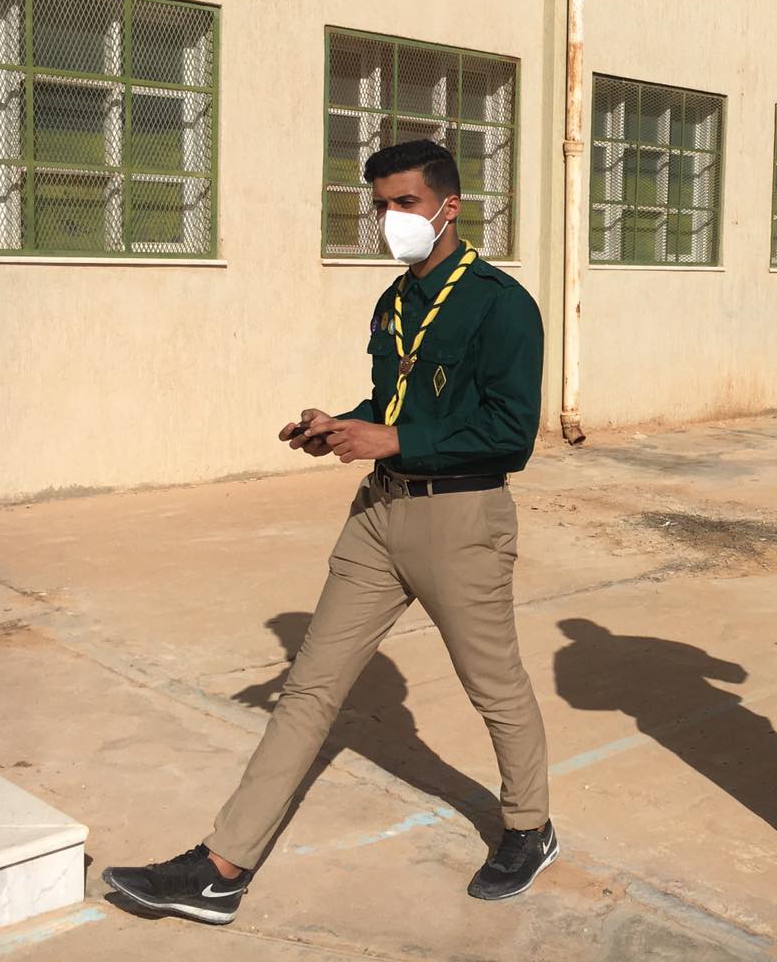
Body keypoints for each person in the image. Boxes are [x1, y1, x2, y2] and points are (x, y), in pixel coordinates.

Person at [103, 141, 555, 925]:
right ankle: (221, 869)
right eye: (380, 205)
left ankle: (529, 827)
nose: (390, 219)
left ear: (450, 207)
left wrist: (395, 438)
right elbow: (393, 403)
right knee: (308, 689)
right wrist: (343, 425)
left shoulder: (501, 304)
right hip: (378, 514)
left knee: (494, 686)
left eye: (406, 203)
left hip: (460, 520)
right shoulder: (394, 302)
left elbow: (512, 434)